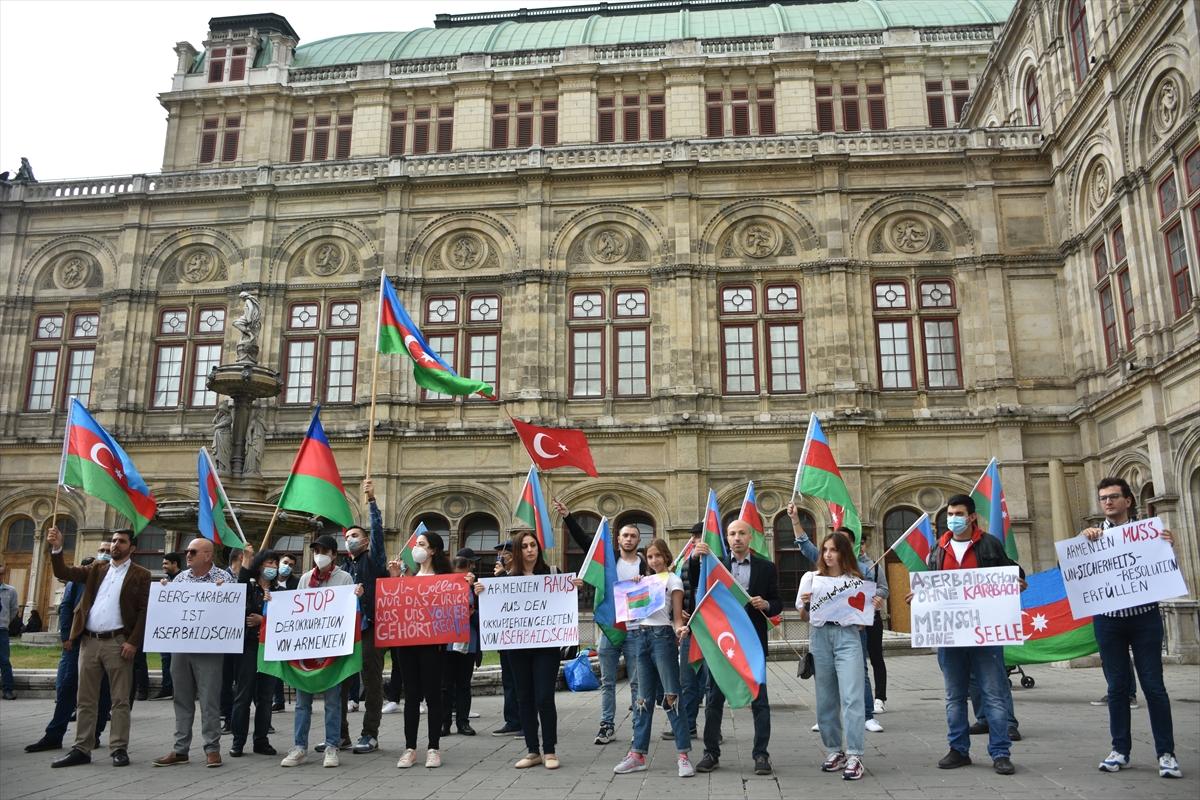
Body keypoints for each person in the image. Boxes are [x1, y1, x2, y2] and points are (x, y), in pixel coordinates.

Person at [907, 494, 1021, 776]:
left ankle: (1000, 752)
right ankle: (958, 749)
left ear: (971, 517)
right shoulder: (938, 549)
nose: (953, 519)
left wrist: (1017, 582)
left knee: (994, 695)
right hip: (950, 637)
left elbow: (1012, 571)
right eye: (950, 514)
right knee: (954, 697)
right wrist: (920, 598)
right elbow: (933, 585)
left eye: (958, 514)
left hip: (985, 636)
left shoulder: (990, 544)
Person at [1079, 477, 1181, 779]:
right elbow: (1073, 573)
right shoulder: (1092, 537)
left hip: (1144, 619)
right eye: (1103, 498)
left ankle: (1166, 753)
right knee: (1117, 688)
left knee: (1154, 686)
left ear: (1128, 501)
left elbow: (1163, 570)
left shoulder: (1150, 534)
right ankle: (1120, 750)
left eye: (1113, 497)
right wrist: (1082, 543)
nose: (1108, 502)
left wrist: (1169, 547)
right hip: (1108, 622)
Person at [46, 526, 151, 769]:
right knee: (85, 698)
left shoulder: (141, 574)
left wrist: (133, 642)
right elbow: (63, 571)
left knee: (120, 699)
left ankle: (118, 748)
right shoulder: (97, 568)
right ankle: (82, 747)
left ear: (132, 548)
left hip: (118, 643)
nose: (115, 545)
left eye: (121, 541)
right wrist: (57, 547)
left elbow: (145, 611)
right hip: (89, 641)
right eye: (113, 540)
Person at [477, 530, 581, 770]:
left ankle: (550, 750)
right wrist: (481, 592)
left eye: (533, 545)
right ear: (517, 551)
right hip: (517, 647)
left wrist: (575, 588)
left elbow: (564, 604)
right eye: (524, 546)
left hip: (546, 647)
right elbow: (494, 609)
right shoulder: (506, 580)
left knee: (544, 697)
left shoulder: (553, 574)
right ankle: (533, 750)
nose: (530, 550)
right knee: (524, 697)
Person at [692, 519, 782, 776]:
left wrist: (766, 604)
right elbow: (697, 589)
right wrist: (696, 559)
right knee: (714, 700)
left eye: (742, 533)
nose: (737, 538)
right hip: (722, 645)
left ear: (750, 537)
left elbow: (777, 601)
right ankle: (711, 753)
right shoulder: (716, 565)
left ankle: (761, 754)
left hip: (752, 644)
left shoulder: (766, 568)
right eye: (732, 533)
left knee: (760, 701)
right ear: (727, 538)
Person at [555, 499, 647, 745]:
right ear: (618, 539)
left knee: (637, 682)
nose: (629, 539)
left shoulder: (646, 564)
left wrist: (645, 583)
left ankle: (639, 728)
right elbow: (585, 542)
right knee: (608, 682)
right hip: (609, 629)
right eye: (625, 535)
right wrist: (568, 516)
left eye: (633, 536)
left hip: (635, 630)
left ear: (638, 540)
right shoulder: (609, 559)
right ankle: (607, 726)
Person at [788, 505, 885, 733]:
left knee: (859, 671)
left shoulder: (864, 570)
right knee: (825, 675)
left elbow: (877, 591)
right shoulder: (821, 567)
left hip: (852, 630)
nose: (830, 553)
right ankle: (827, 717)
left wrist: (875, 600)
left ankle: (866, 715)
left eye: (838, 546)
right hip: (824, 631)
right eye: (828, 548)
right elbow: (805, 544)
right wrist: (795, 520)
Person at [798, 531, 884, 781]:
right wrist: (807, 604)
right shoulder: (812, 579)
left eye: (833, 550)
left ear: (843, 553)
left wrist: (872, 607)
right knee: (826, 697)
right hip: (820, 637)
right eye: (825, 549)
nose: (828, 555)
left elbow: (862, 623)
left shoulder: (856, 580)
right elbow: (805, 617)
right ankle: (834, 750)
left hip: (847, 637)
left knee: (852, 696)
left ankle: (855, 754)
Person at [613, 538, 695, 778]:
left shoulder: (673, 580)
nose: (654, 560)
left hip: (662, 638)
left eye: (658, 555)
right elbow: (632, 611)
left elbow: (676, 617)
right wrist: (635, 586)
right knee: (642, 699)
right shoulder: (645, 581)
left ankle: (683, 756)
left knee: (672, 695)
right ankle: (637, 754)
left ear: (666, 556)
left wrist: (680, 629)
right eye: (649, 557)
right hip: (640, 636)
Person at [280, 534, 362, 768]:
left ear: (334, 555)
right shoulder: (306, 579)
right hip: (307, 650)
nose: (320, 555)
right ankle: (299, 747)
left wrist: (356, 598)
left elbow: (348, 611)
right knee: (302, 702)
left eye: (324, 551)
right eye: (316, 551)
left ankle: (332, 746)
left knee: (333, 701)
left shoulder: (345, 579)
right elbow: (297, 610)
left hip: (332, 650)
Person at [152, 538, 233, 768]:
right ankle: (180, 749)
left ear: (207, 555)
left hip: (209, 649)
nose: (187, 554)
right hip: (181, 647)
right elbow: (170, 610)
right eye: (187, 551)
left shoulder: (224, 578)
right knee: (182, 698)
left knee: (209, 699)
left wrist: (225, 593)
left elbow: (232, 611)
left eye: (193, 551)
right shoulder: (180, 578)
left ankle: (212, 749)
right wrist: (164, 593)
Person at [390, 530, 457, 769]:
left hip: (432, 646)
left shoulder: (444, 579)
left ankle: (433, 748)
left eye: (421, 544)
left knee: (433, 695)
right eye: (416, 544)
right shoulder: (408, 579)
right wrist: (395, 579)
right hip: (407, 644)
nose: (416, 548)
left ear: (433, 550)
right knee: (411, 696)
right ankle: (410, 748)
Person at [26, 557, 95, 752]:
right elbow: (66, 606)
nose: (105, 554)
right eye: (103, 550)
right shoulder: (77, 580)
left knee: (103, 690)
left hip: (104, 641)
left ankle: (94, 736)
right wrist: (66, 636)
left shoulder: (114, 578)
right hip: (78, 640)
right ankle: (54, 735)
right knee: (68, 686)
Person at [340, 478, 388, 754]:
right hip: (347, 630)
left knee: (371, 682)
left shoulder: (374, 560)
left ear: (366, 541)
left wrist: (371, 501)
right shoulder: (344, 568)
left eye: (355, 535)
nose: (350, 539)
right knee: (341, 683)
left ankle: (370, 734)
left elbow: (378, 532)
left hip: (371, 627)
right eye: (347, 536)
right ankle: (340, 733)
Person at [229, 548, 277, 757]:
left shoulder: (279, 591)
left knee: (265, 698)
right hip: (249, 647)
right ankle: (238, 741)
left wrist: (263, 620)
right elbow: (240, 603)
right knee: (243, 695)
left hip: (269, 649)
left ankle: (261, 740)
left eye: (275, 564)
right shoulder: (249, 586)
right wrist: (246, 560)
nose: (273, 567)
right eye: (269, 563)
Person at [442, 550, 482, 737]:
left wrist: (473, 609)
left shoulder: (476, 589)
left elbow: (484, 617)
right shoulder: (443, 588)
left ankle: (463, 722)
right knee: (445, 685)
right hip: (447, 644)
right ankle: (444, 723)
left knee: (464, 685)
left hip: (468, 643)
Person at [488, 540, 522, 737]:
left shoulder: (519, 575)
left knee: (520, 682)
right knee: (509, 681)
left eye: (504, 555)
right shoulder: (502, 575)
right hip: (505, 637)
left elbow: (514, 597)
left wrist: (502, 577)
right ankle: (512, 720)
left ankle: (524, 720)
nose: (501, 558)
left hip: (521, 639)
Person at [677, 523, 705, 739]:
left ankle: (714, 729)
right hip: (690, 629)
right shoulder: (688, 563)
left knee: (709, 683)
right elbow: (684, 589)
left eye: (699, 536)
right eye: (694, 537)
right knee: (687, 681)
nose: (695, 540)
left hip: (712, 632)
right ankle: (688, 725)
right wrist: (680, 611)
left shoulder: (721, 564)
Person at [152, 552, 184, 700]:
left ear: (175, 564)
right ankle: (167, 687)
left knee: (176, 660)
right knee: (165, 658)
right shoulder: (166, 581)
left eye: (166, 563)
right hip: (167, 626)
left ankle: (175, 688)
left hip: (179, 627)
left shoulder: (184, 579)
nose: (163, 566)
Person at [270, 553, 299, 712]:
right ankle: (278, 700)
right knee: (276, 666)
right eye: (285, 562)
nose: (287, 566)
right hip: (273, 629)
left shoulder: (297, 583)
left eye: (291, 565)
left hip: (291, 628)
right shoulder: (269, 580)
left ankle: (301, 696)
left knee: (294, 666)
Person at [0, 562, 18, 700]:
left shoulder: (10, 591)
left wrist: (4, 622)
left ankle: (8, 689)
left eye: (1, 573)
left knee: (4, 660)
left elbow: (13, 610)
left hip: (2, 629)